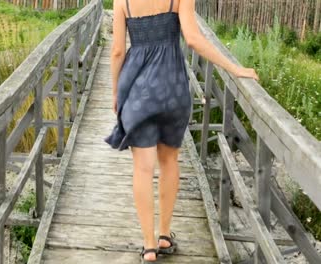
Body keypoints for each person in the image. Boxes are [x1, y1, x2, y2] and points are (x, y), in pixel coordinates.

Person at [103, 0, 259, 262]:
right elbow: (194, 40)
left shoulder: (123, 1)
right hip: (172, 88)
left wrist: (115, 91)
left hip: (138, 92)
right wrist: (235, 69)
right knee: (169, 161)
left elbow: (118, 51)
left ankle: (149, 246)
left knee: (142, 168)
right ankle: (164, 234)